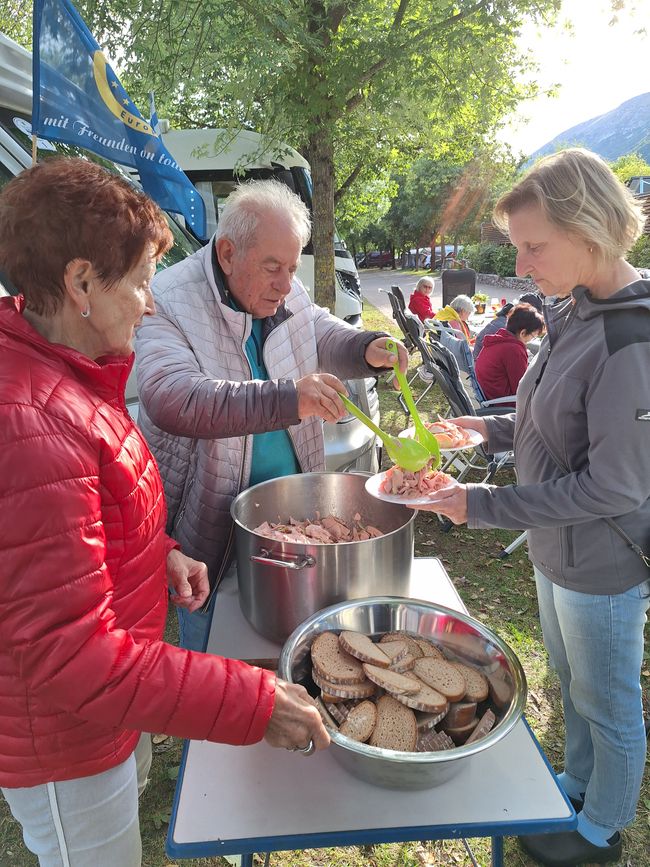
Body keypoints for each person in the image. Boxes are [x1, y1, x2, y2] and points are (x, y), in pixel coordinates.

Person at [0, 159, 330, 867]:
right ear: (81, 281)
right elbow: (69, 654)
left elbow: (85, 521)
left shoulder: (73, 374)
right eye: (143, 281)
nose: (151, 304)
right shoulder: (28, 420)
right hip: (66, 733)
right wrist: (251, 699)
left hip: (112, 709)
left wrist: (160, 551)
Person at [414, 148, 650, 867]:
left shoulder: (630, 337)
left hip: (602, 560)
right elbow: (548, 419)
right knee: (571, 683)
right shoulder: (573, 308)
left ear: (590, 229)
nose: (520, 264)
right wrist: (482, 427)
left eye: (532, 245)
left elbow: (617, 487)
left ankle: (602, 829)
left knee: (608, 701)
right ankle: (577, 785)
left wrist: (479, 502)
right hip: (556, 547)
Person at [136, 179, 408, 652]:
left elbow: (317, 330)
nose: (286, 284)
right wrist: (288, 399)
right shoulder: (167, 298)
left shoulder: (283, 285)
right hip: (212, 528)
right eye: (272, 269)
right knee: (217, 644)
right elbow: (170, 397)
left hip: (293, 515)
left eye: (292, 268)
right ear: (227, 254)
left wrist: (366, 348)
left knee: (300, 644)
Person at [474, 302, 544, 403]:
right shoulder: (514, 349)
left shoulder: (497, 340)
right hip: (501, 405)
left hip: (486, 398)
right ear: (523, 333)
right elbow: (521, 388)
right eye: (533, 336)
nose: (531, 340)